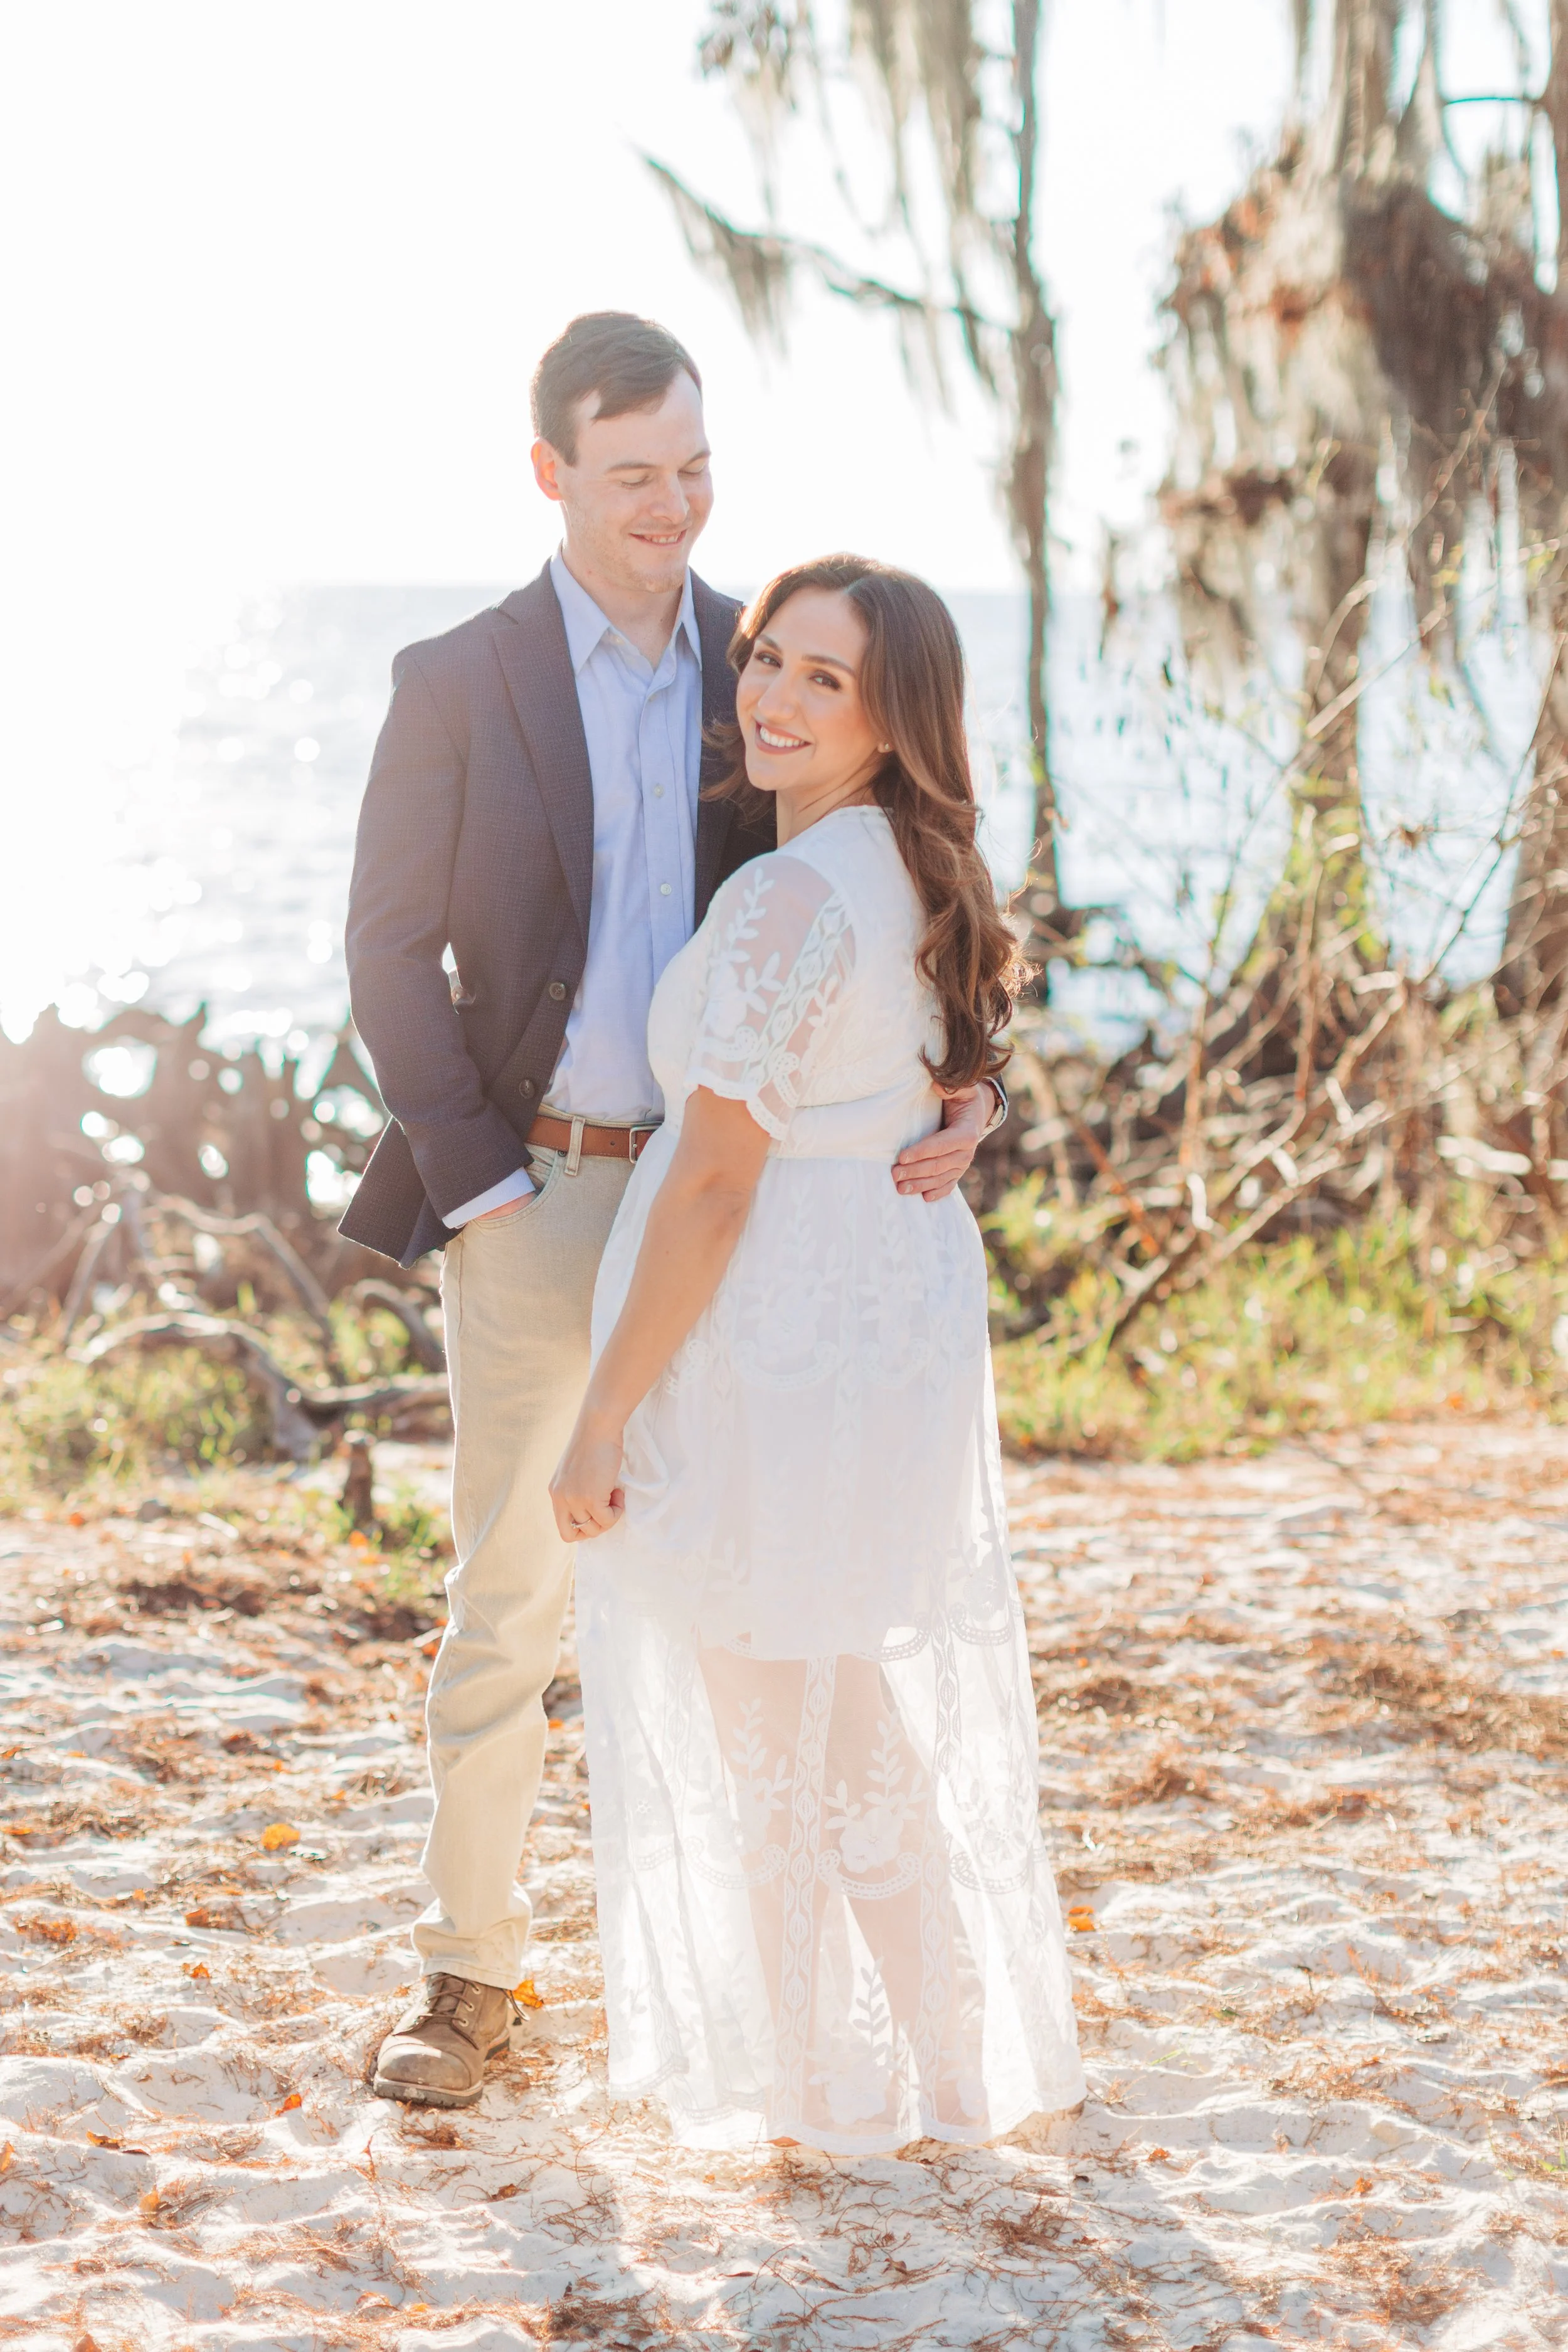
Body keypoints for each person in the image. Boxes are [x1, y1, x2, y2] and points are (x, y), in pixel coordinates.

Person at [339, 315, 1004, 2108]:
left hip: (748, 1208)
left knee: (757, 1607)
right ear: (549, 471)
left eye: (695, 466)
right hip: (545, 1181)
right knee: (515, 1584)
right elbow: (387, 954)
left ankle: (792, 2022)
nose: (674, 502)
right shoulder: (456, 678)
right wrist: (484, 1180)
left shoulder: (765, 663)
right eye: (633, 471)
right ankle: (471, 1974)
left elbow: (902, 890)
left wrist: (967, 1087)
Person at [551, 556, 1084, 2154]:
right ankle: (941, 2063)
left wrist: (603, 1418)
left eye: (822, 680)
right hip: (873, 1315)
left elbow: (714, 1182)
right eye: (766, 659)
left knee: (761, 1713)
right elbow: (911, 1066)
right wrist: (965, 1098)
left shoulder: (791, 894)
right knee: (837, 1698)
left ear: (892, 715)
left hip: (774, 1329)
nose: (771, 698)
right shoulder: (904, 867)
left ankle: (806, 2091)